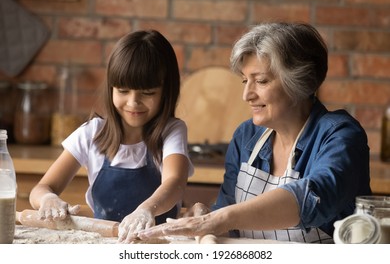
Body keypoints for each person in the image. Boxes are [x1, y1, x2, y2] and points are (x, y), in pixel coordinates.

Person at [138, 22, 372, 243]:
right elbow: (229, 217)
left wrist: (217, 219)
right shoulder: (246, 136)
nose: (247, 95)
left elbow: (313, 199)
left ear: (299, 83)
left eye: (260, 81)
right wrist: (206, 215)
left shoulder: (340, 135)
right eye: (244, 81)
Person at [29, 29, 194, 243]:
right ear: (111, 89)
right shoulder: (91, 133)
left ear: (166, 91)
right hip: (106, 247)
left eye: (148, 93)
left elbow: (174, 183)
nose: (133, 102)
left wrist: (145, 210)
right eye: (123, 91)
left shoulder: (171, 131)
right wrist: (48, 198)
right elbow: (41, 189)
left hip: (158, 247)